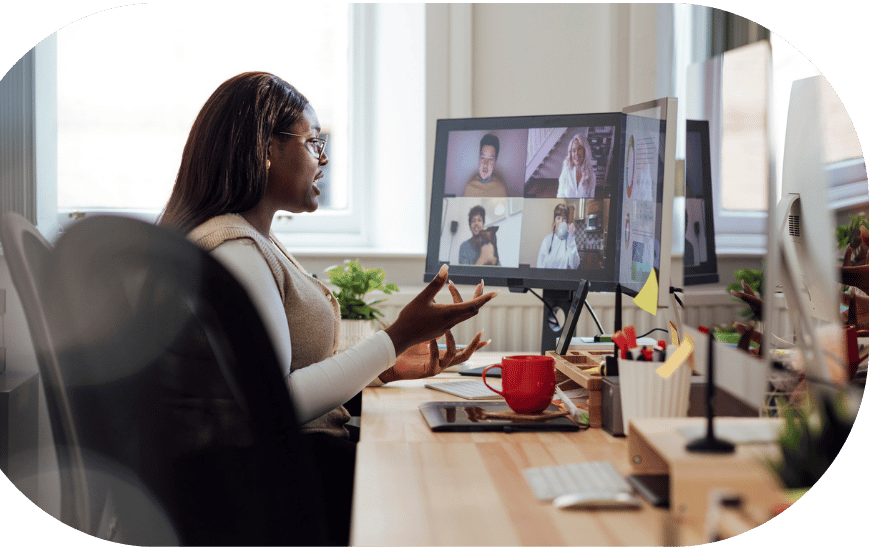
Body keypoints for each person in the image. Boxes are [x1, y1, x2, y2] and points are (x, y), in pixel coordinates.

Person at [159, 72, 496, 545]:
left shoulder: (246, 238)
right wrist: (396, 337)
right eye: (312, 141)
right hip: (278, 485)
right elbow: (277, 402)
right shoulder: (234, 249)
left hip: (269, 472)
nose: (324, 157)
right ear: (264, 149)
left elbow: (268, 379)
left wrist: (385, 367)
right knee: (445, 482)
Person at [536, 203, 580, 269]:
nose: (561, 221)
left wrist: (571, 238)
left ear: (567, 222)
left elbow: (575, 265)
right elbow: (539, 265)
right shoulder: (547, 240)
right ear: (554, 221)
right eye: (558, 218)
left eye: (564, 218)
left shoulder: (569, 240)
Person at [557, 133, 596, 198]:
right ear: (570, 153)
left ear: (585, 151)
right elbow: (560, 195)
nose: (576, 153)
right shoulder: (565, 172)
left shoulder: (592, 176)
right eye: (574, 150)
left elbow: (591, 198)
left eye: (579, 149)